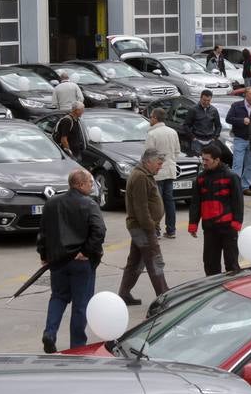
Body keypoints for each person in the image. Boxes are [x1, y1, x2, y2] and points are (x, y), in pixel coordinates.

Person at [37, 168, 106, 353]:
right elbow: (99, 231)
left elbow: (43, 233)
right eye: (90, 182)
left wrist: (44, 255)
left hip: (58, 261)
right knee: (81, 304)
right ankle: (77, 346)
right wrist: (86, 251)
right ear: (79, 184)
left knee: (58, 297)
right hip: (81, 263)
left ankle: (50, 332)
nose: (92, 186)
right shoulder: (89, 205)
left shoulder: (51, 204)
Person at [116, 148, 169, 305]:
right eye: (158, 164)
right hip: (143, 228)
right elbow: (141, 207)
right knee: (154, 260)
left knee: (135, 262)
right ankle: (164, 295)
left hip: (141, 227)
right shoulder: (140, 177)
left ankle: (123, 294)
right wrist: (151, 226)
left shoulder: (144, 175)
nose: (160, 167)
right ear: (148, 162)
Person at [188, 142, 244, 275]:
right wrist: (193, 224)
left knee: (231, 264)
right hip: (209, 228)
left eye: (207, 160)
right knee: (210, 263)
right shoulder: (200, 179)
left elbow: (238, 202)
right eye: (202, 159)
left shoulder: (231, 177)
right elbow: (195, 203)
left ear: (217, 160)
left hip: (228, 228)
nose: (204, 163)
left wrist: (237, 222)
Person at [145, 108, 180, 237]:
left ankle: (155, 230)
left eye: (151, 117)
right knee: (169, 201)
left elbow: (148, 155)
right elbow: (177, 152)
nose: (150, 119)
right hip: (170, 170)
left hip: (156, 173)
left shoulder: (152, 134)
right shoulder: (172, 132)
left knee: (155, 202)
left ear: (155, 118)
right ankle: (171, 230)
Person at [225, 87, 251, 195]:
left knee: (250, 165)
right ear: (246, 95)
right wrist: (241, 121)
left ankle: (245, 186)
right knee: (237, 164)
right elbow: (228, 119)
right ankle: (235, 187)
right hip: (240, 139)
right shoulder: (236, 106)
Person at [183, 89, 221, 155]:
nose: (206, 102)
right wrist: (193, 138)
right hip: (197, 140)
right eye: (204, 100)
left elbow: (218, 126)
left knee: (208, 161)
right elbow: (186, 125)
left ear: (211, 99)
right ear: (200, 98)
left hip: (210, 141)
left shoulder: (214, 110)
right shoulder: (193, 110)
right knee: (198, 161)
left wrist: (214, 138)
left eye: (208, 100)